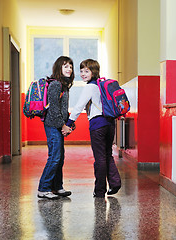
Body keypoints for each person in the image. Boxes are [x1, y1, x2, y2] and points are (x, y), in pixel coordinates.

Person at [65, 59, 121, 198]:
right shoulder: (102, 85)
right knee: (107, 155)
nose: (83, 74)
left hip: (98, 126)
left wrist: (69, 123)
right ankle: (115, 183)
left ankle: (100, 191)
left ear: (94, 71)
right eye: (81, 71)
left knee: (100, 158)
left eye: (86, 71)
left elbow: (79, 106)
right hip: (110, 124)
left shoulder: (90, 87)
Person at [38, 56, 74, 199]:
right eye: (66, 66)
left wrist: (69, 123)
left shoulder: (64, 86)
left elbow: (62, 108)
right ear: (59, 68)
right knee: (54, 157)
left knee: (60, 158)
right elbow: (53, 109)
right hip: (53, 125)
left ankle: (57, 187)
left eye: (70, 67)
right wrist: (63, 125)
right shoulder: (55, 85)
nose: (69, 69)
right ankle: (43, 188)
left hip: (58, 125)